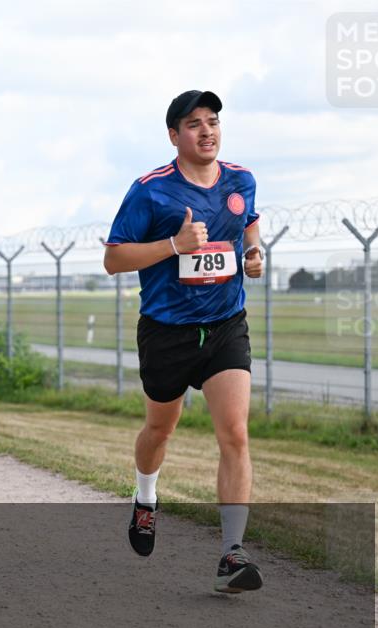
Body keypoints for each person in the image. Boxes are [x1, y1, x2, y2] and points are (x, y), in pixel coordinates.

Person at [103, 90, 265, 594]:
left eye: (213, 121)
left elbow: (250, 226)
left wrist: (256, 254)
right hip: (167, 331)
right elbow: (114, 258)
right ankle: (145, 498)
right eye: (194, 124)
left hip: (224, 325)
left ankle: (232, 554)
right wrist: (174, 245)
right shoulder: (150, 191)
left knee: (235, 434)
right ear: (174, 136)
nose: (206, 131)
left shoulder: (241, 180)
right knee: (160, 429)